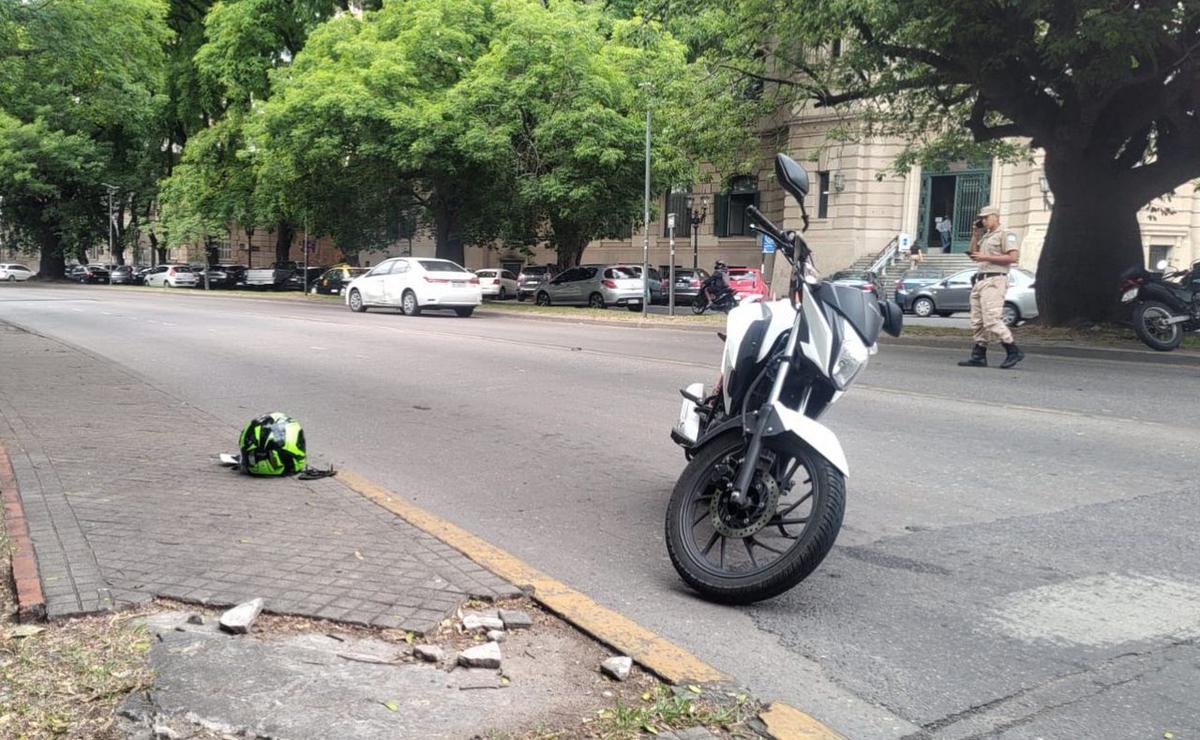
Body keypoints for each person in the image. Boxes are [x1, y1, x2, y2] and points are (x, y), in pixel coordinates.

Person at [958, 206, 1024, 369]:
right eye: (982, 218)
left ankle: (1012, 349)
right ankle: (979, 354)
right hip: (981, 280)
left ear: (995, 217)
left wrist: (986, 257)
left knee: (991, 319)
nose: (983, 221)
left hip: (995, 280)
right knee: (978, 320)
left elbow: (1013, 257)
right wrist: (975, 234)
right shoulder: (986, 236)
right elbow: (975, 255)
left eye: (986, 218)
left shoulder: (1005, 234)